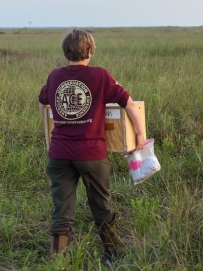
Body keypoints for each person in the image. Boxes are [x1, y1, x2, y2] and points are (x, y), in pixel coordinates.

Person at [38, 29, 146, 261]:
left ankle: (59, 261)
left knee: (61, 210)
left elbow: (44, 102)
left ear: (66, 51)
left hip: (59, 153)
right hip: (92, 154)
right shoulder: (100, 76)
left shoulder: (55, 76)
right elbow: (129, 105)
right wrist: (140, 135)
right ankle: (113, 255)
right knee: (101, 204)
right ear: (89, 51)